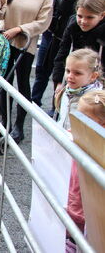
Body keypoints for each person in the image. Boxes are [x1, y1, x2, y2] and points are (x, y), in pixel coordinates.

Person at [0, 0, 53, 144]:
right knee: (4, 83)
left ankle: (19, 126)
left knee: (23, 84)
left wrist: (19, 29)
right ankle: (5, 124)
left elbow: (43, 22)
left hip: (25, 44)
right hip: (4, 43)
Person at [32, 0, 97, 109]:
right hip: (60, 41)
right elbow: (61, 9)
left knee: (83, 83)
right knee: (54, 77)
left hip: (87, 47)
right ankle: (48, 108)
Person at [66, 90, 105, 252]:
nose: (78, 124)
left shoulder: (100, 150)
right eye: (77, 117)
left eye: (85, 120)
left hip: (88, 213)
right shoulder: (76, 136)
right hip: (72, 204)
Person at [31, 0, 69, 108]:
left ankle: (56, 107)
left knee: (58, 74)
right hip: (47, 34)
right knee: (41, 70)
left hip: (61, 37)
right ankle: (34, 102)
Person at [51, 0, 105, 92]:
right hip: (73, 80)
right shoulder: (73, 26)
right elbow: (63, 53)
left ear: (102, 15)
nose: (83, 21)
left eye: (89, 17)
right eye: (80, 16)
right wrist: (58, 81)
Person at [54, 48, 103, 130]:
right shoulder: (67, 91)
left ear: (93, 76)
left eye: (77, 73)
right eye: (68, 71)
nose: (70, 76)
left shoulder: (95, 101)